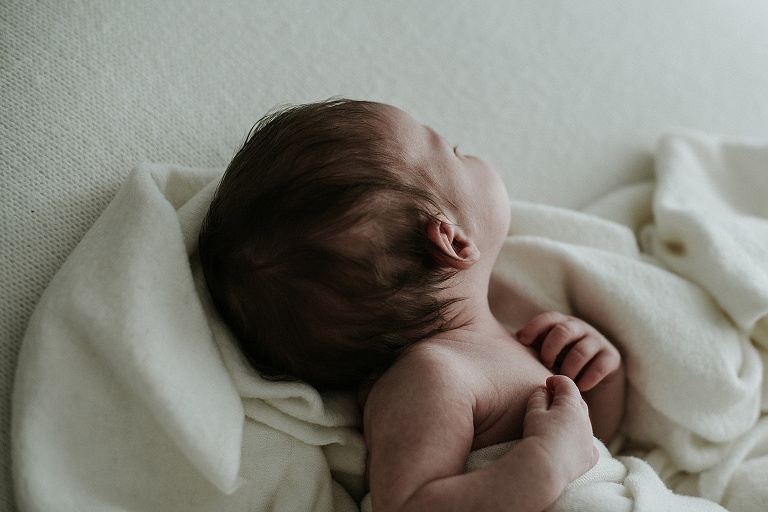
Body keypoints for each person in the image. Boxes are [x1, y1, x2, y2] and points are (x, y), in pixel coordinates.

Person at [198, 98, 625, 511]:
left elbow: (598, 448)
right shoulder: (433, 374)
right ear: (453, 240)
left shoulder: (504, 341)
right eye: (455, 152)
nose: (466, 150)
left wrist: (599, 374)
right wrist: (545, 465)